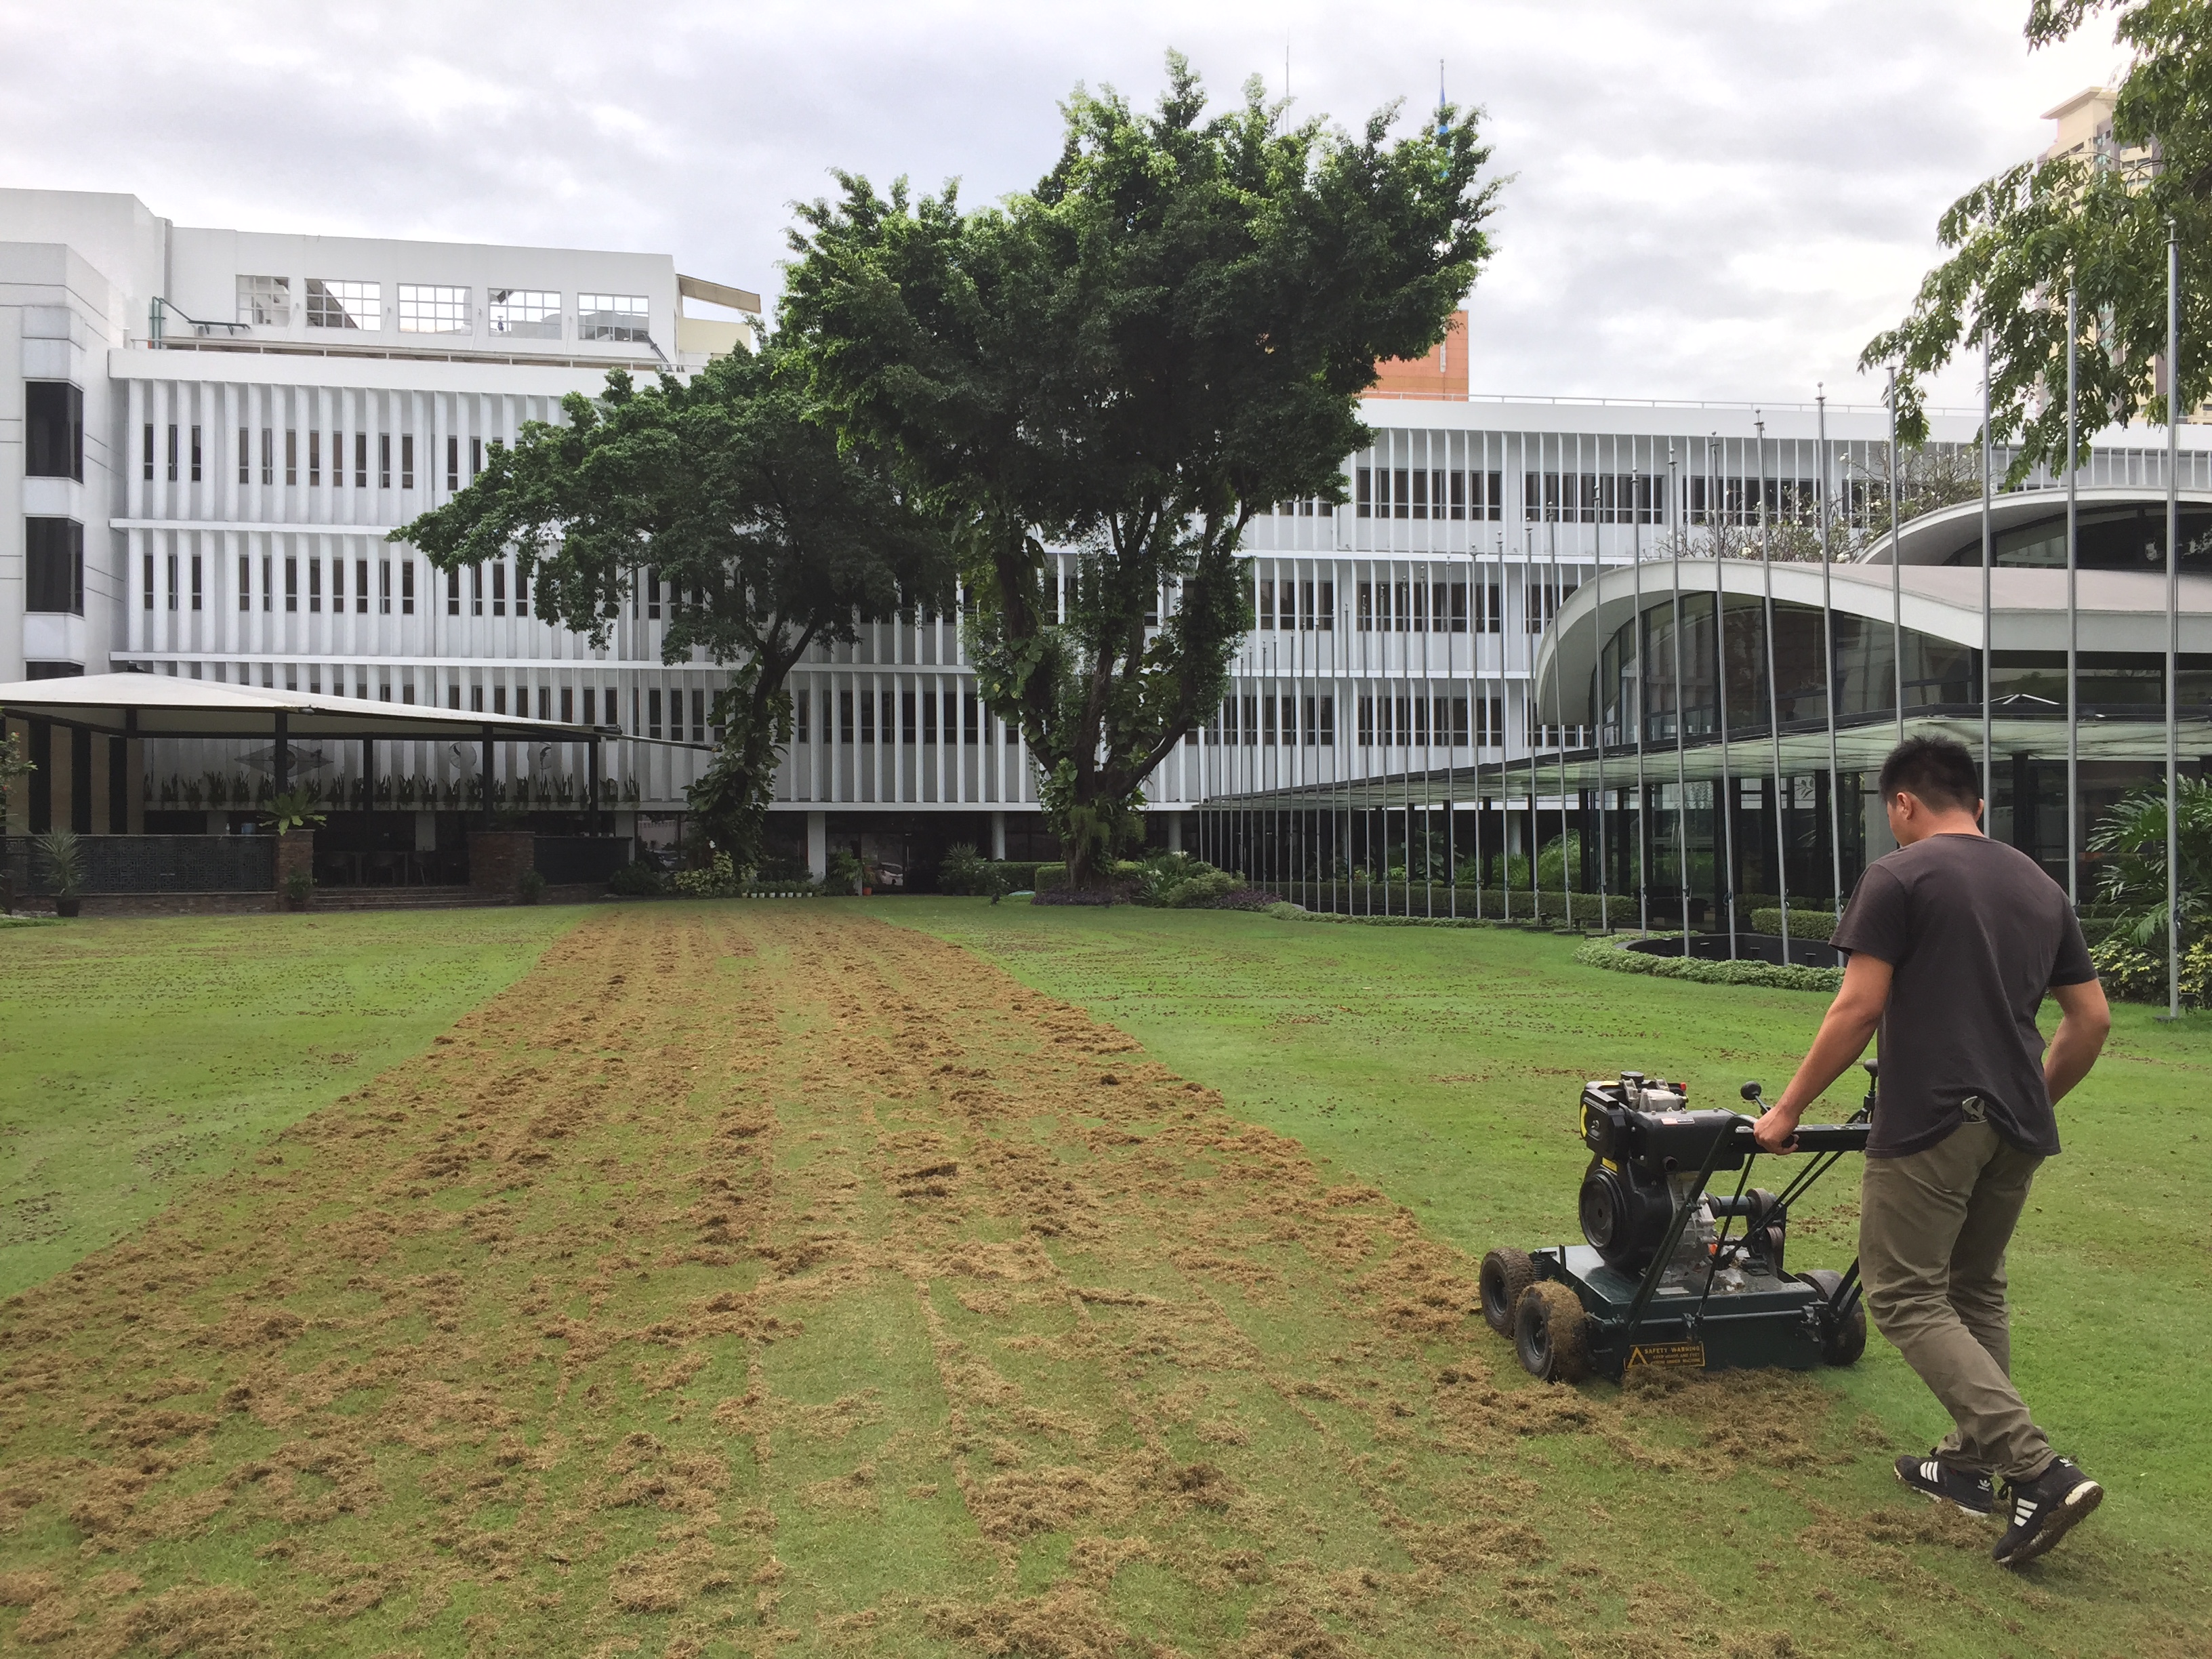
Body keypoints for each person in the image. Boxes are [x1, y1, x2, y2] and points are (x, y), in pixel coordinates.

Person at [1753, 734, 2110, 1569]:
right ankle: (1967, 1467)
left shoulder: (1900, 875)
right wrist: (2027, 1099)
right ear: (1976, 804)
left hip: (1937, 1118)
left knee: (1905, 1295)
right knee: (1974, 1289)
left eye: (1892, 814)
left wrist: (1786, 1110)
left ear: (1904, 804)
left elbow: (1857, 1007)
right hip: (2018, 1125)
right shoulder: (2038, 884)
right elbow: (2089, 1021)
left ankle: (2037, 1470)